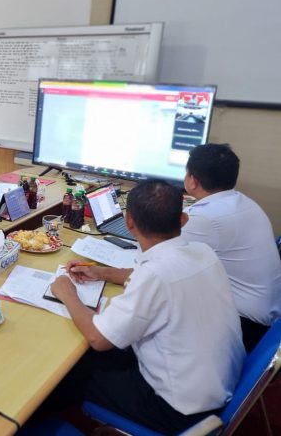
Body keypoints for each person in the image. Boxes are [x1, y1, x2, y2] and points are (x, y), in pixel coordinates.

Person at [38, 180, 244, 434]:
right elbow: (159, 276)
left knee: (70, 371)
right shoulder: (203, 252)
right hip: (216, 385)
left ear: (129, 222)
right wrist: (103, 272)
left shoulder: (154, 276)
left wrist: (67, 294)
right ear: (183, 220)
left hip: (175, 410)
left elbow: (98, 338)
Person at [182, 143, 281, 351]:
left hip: (245, 328)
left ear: (192, 181)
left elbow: (156, 266)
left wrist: (106, 272)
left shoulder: (203, 218)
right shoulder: (243, 202)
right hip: (269, 320)